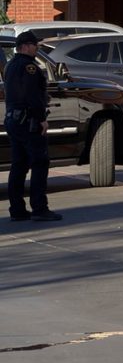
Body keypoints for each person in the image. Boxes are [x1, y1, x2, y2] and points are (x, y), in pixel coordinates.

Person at [5, 31, 62, 222]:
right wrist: (41, 119)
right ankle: (39, 208)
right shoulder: (29, 67)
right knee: (39, 163)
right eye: (35, 45)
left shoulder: (11, 65)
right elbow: (31, 96)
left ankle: (17, 209)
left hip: (13, 120)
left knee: (19, 165)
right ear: (26, 46)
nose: (37, 48)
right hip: (28, 121)